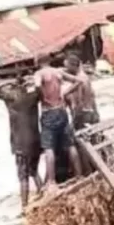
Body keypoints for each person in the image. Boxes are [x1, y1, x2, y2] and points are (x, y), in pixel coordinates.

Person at [0, 78, 44, 211]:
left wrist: (8, 84)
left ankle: (24, 206)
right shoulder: (33, 97)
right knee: (34, 172)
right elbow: (40, 89)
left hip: (20, 144)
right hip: (36, 142)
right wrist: (28, 84)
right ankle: (43, 195)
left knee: (23, 177)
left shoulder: (10, 99)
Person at [34, 59, 84, 187]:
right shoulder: (58, 71)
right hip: (61, 111)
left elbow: (38, 86)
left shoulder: (39, 74)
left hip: (48, 112)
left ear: (37, 62)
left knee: (49, 148)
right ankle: (79, 176)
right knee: (70, 144)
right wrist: (65, 92)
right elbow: (78, 81)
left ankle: (51, 181)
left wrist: (43, 98)